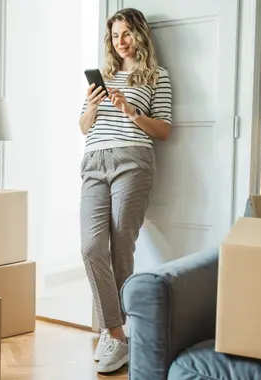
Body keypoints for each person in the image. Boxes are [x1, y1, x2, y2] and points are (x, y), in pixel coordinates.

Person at [78, 7, 172, 374]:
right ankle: (116, 333)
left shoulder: (156, 76)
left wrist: (131, 111)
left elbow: (163, 129)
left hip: (133, 160)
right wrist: (93, 106)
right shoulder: (102, 78)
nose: (121, 42)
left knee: (120, 244)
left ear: (140, 35)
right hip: (94, 162)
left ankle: (116, 335)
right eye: (116, 36)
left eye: (127, 34)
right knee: (91, 246)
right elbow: (84, 126)